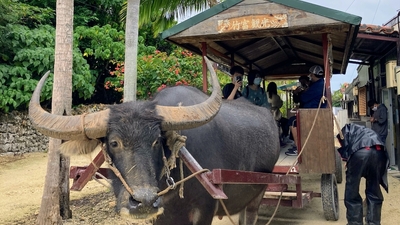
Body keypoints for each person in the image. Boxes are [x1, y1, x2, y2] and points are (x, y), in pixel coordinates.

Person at [336, 123, 389, 225]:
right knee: (374, 191)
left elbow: (346, 148)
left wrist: (349, 159)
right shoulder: (364, 132)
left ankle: (355, 223)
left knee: (352, 191)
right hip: (379, 153)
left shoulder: (347, 131)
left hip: (360, 154)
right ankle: (373, 222)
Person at [285, 65, 327, 156]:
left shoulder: (317, 86)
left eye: (311, 75)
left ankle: (298, 148)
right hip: (312, 113)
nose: (310, 76)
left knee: (292, 122)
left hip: (312, 115)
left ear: (313, 75)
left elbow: (303, 98)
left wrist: (299, 93)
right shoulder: (319, 84)